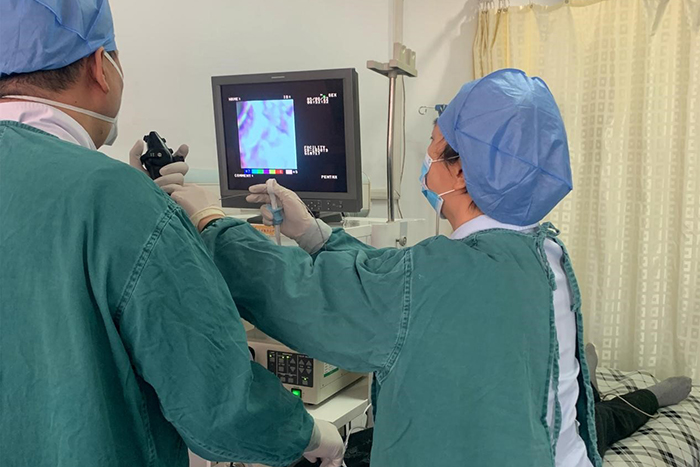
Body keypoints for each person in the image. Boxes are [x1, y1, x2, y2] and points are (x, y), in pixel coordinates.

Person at [166, 69, 695, 466]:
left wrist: (209, 219)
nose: (426, 154)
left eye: (435, 144)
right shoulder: (540, 251)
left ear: (462, 171)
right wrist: (314, 233)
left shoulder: (437, 276)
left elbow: (296, 293)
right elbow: (391, 277)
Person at [0, 1, 343, 466]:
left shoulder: (110, 197)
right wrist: (311, 437)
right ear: (101, 67)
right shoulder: (115, 200)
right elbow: (218, 405)